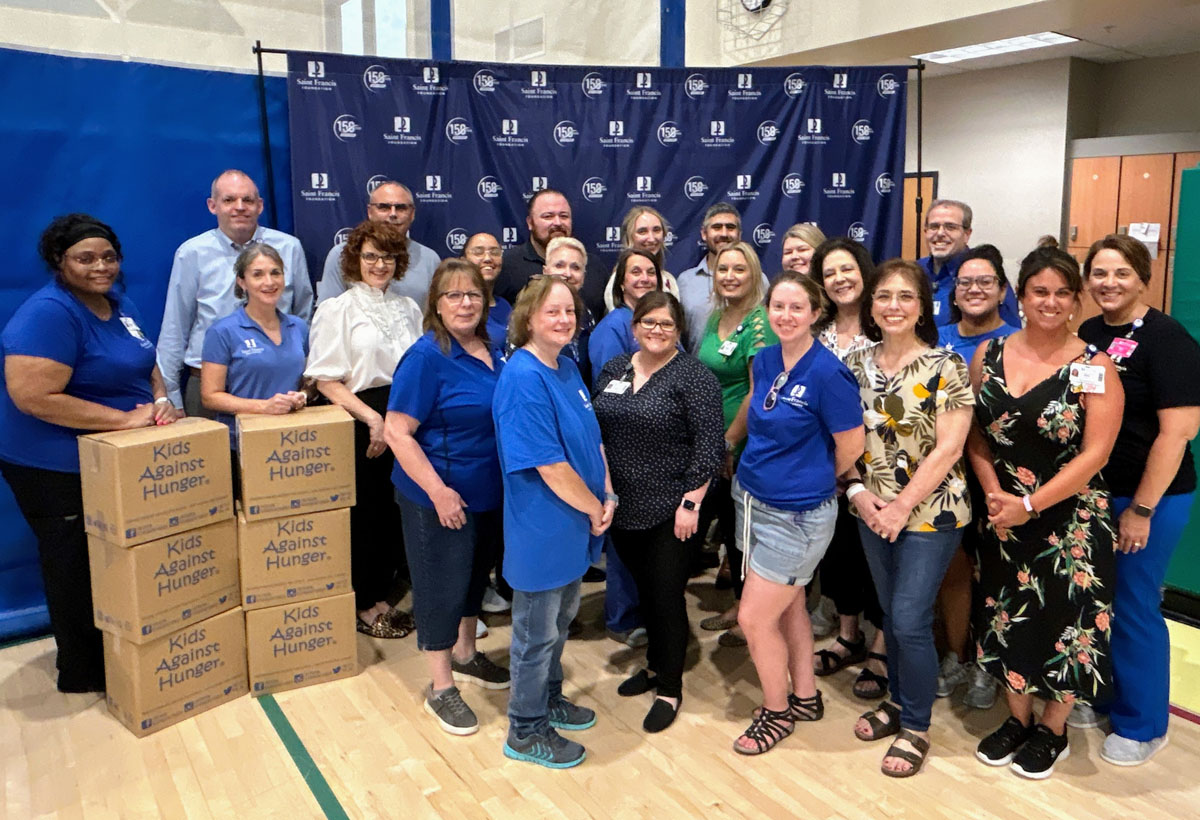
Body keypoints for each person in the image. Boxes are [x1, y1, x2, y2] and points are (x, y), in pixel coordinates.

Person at [0, 214, 181, 693]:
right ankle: (82, 673)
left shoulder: (117, 302)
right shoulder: (48, 314)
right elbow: (32, 396)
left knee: (112, 562)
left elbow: (146, 360)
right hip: (51, 464)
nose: (100, 266)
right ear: (59, 261)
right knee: (74, 564)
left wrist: (161, 399)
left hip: (110, 457)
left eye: (108, 257)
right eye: (86, 258)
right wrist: (122, 420)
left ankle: (123, 657)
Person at [968, 246, 1122, 780]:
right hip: (1003, 515)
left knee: (1067, 624)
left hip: (1069, 521)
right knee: (1006, 615)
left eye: (1061, 293)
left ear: (1076, 300)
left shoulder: (1094, 366)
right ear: (1020, 296)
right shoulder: (987, 353)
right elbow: (976, 434)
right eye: (1039, 291)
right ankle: (1017, 719)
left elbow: (1096, 454)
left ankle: (1052, 730)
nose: (1050, 302)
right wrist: (995, 495)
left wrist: (1031, 504)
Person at [843, 259, 975, 778]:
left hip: (930, 514)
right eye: (883, 296)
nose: (893, 306)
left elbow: (950, 448)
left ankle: (916, 726)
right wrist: (859, 493)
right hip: (871, 511)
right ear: (871, 306)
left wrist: (901, 507)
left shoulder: (946, 365)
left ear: (922, 307)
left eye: (905, 296)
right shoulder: (854, 363)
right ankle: (897, 702)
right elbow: (840, 437)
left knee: (909, 618)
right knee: (889, 613)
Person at [731, 273, 865, 754]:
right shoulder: (767, 358)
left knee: (753, 619)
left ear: (815, 313)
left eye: (796, 308)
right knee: (788, 606)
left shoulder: (829, 374)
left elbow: (852, 444)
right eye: (778, 306)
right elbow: (756, 408)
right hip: (753, 501)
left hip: (798, 516)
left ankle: (777, 712)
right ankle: (805, 696)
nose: (785, 316)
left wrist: (813, 477)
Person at [1079, 234, 1200, 766]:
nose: (1109, 283)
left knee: (1133, 604)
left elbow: (1178, 432)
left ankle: (1144, 724)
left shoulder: (1168, 339)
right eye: (1099, 273)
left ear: (1144, 278)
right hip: (1097, 493)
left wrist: (1141, 509)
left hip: (1150, 499)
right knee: (1098, 603)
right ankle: (1105, 696)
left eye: (1122, 273)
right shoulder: (1088, 333)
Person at [386, 259, 510, 736]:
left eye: (473, 294)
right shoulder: (425, 357)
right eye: (453, 295)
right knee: (440, 586)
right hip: (435, 495)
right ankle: (441, 686)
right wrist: (438, 492)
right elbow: (397, 432)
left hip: (486, 490)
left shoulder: (492, 347)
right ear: (436, 304)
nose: (464, 303)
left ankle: (466, 653)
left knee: (474, 578)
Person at [493, 276, 613, 769]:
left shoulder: (564, 366)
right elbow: (550, 465)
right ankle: (525, 729)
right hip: (542, 529)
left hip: (575, 522)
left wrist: (606, 494)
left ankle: (548, 698)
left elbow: (593, 439)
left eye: (570, 311)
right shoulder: (523, 378)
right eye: (552, 311)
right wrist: (593, 507)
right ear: (528, 319)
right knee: (535, 635)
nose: (564, 319)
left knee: (559, 624)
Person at [593, 292, 723, 732]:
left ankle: (669, 687)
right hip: (623, 506)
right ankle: (653, 664)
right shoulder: (615, 369)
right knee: (645, 591)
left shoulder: (694, 377)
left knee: (666, 595)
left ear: (678, 330)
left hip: (673, 509)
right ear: (634, 327)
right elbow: (597, 430)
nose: (656, 330)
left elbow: (709, 446)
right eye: (648, 322)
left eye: (667, 324)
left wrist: (691, 503)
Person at [305, 221, 423, 639]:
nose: (379, 264)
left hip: (404, 417)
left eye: (388, 256)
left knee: (395, 512)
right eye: (370, 255)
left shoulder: (409, 309)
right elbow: (325, 380)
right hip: (361, 418)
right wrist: (373, 419)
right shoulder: (337, 309)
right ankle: (364, 603)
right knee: (367, 514)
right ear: (355, 260)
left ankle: (385, 594)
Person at [933, 243, 1021, 708]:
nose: (974, 289)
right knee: (954, 571)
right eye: (965, 282)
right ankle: (958, 655)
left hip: (1001, 474)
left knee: (1000, 574)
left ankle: (993, 663)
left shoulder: (1018, 340)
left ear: (1002, 290)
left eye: (985, 281)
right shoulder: (935, 338)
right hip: (943, 475)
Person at [157, 169, 312, 414]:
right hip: (207, 386)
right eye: (229, 200)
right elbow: (175, 328)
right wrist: (171, 399)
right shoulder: (192, 253)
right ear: (213, 205)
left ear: (260, 206)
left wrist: (303, 386)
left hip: (276, 385)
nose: (240, 207)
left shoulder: (289, 248)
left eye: (247, 200)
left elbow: (303, 317)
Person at [806, 238, 888, 700]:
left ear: (864, 271)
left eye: (847, 269)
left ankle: (880, 648)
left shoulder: (885, 323)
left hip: (879, 467)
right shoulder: (815, 331)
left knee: (878, 559)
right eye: (830, 273)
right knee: (838, 557)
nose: (840, 279)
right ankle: (848, 635)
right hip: (826, 467)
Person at [695, 242, 778, 648]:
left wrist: (730, 442)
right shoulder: (717, 315)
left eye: (738, 269)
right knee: (731, 530)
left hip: (742, 445)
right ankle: (740, 605)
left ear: (754, 275)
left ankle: (753, 616)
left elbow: (757, 390)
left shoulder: (760, 324)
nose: (729, 276)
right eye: (723, 269)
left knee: (746, 534)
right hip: (715, 440)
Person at [200, 243, 309, 497]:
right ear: (242, 282)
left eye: (275, 273)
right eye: (258, 274)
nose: (269, 282)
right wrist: (264, 407)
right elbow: (210, 396)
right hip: (242, 446)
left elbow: (307, 379)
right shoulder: (222, 332)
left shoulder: (299, 327)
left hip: (293, 444)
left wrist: (302, 395)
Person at [315, 180, 440, 307]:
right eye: (384, 207)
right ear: (370, 212)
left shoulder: (430, 259)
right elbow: (328, 312)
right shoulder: (342, 254)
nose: (392, 214)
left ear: (412, 214)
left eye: (400, 208)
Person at [492, 188, 609, 319]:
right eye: (548, 216)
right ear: (530, 223)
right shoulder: (508, 265)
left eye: (564, 216)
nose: (557, 223)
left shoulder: (594, 266)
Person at [916, 199, 1018, 328]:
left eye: (950, 227)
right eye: (934, 227)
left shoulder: (987, 275)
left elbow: (1011, 332)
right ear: (925, 232)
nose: (940, 233)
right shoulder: (915, 271)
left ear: (967, 234)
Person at [589, 248, 663, 385]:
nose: (645, 279)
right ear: (621, 282)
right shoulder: (612, 327)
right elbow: (610, 384)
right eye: (636, 272)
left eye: (651, 273)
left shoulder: (664, 322)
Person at [676, 203, 742, 353]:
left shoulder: (758, 280)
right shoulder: (685, 281)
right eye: (717, 227)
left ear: (739, 234)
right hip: (695, 366)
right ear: (704, 234)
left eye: (730, 227)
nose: (724, 233)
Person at [541, 237, 598, 398]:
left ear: (583, 276)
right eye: (559, 265)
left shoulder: (586, 314)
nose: (567, 273)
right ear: (545, 271)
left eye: (575, 267)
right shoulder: (529, 313)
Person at [601, 207, 681, 311]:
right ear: (629, 237)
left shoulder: (669, 280)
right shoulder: (617, 281)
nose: (651, 238)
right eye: (642, 231)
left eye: (656, 230)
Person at [462, 232, 511, 354]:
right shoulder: (460, 308)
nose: (488, 258)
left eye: (495, 252)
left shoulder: (504, 306)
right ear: (463, 260)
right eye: (478, 252)